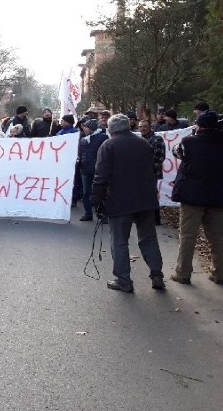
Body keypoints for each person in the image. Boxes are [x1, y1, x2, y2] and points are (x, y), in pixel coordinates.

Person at [91, 114, 166, 293]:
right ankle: (157, 274)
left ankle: (124, 280)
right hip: (145, 198)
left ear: (111, 129)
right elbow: (153, 169)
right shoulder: (144, 144)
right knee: (148, 237)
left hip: (120, 198)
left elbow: (101, 176)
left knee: (119, 240)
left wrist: (96, 198)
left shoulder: (108, 145)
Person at [169, 110, 223, 285]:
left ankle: (183, 273)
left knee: (188, 236)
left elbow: (177, 152)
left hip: (192, 197)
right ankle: (219, 273)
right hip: (217, 197)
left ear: (198, 126)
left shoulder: (189, 142)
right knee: (218, 237)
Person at [78, 118, 107, 221]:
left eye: (86, 127)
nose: (84, 129)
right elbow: (80, 154)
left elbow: (104, 153)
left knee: (99, 192)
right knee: (86, 193)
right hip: (85, 170)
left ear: (92, 128)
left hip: (98, 170)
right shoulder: (83, 140)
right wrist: (78, 160)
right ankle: (88, 213)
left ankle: (102, 214)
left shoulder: (103, 137)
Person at [138, 119, 165, 225]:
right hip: (139, 172)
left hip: (151, 172)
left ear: (150, 127)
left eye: (144, 126)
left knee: (152, 195)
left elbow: (159, 158)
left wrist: (146, 168)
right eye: (140, 127)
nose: (142, 129)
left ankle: (155, 219)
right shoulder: (138, 139)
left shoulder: (157, 139)